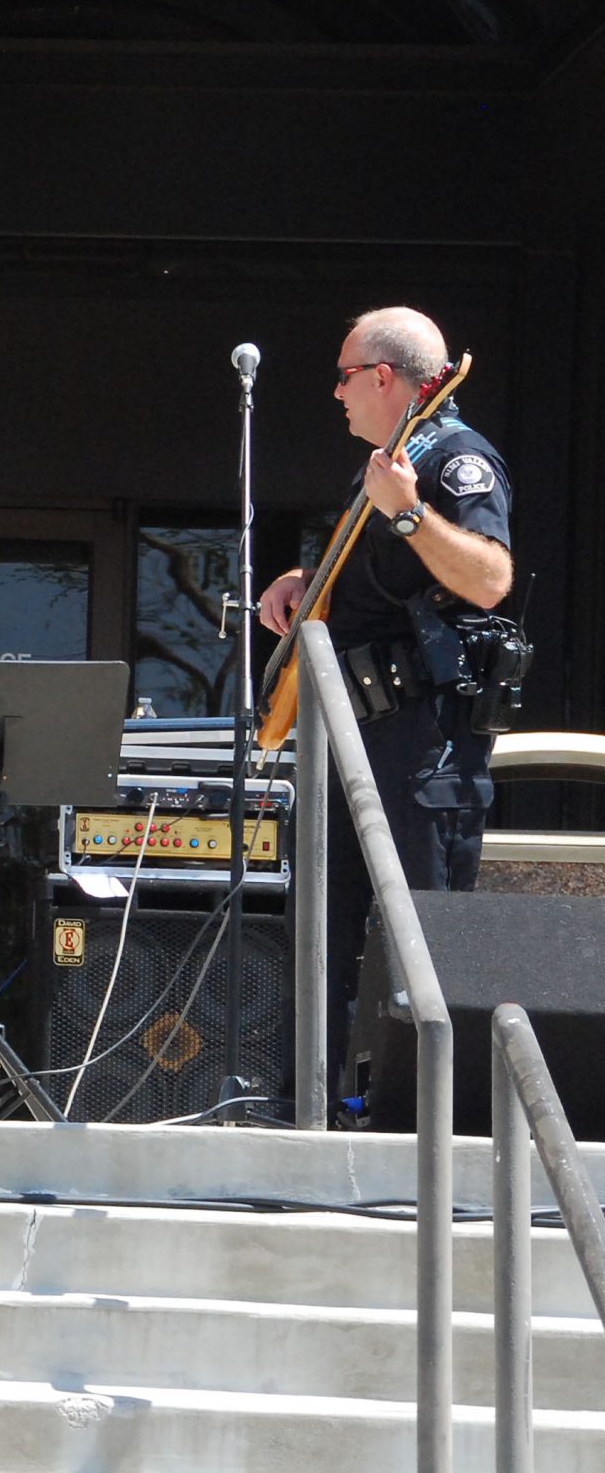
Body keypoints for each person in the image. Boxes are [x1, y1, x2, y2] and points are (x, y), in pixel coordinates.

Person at [255, 306, 514, 1092]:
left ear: (381, 377)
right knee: (323, 938)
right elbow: (382, 582)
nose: (334, 393)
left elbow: (490, 576)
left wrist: (407, 511)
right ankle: (314, 1113)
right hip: (354, 738)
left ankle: (418, 1131)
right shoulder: (384, 461)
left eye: (343, 376)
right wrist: (311, 580)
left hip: (419, 739)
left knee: (419, 945)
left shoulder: (455, 459)